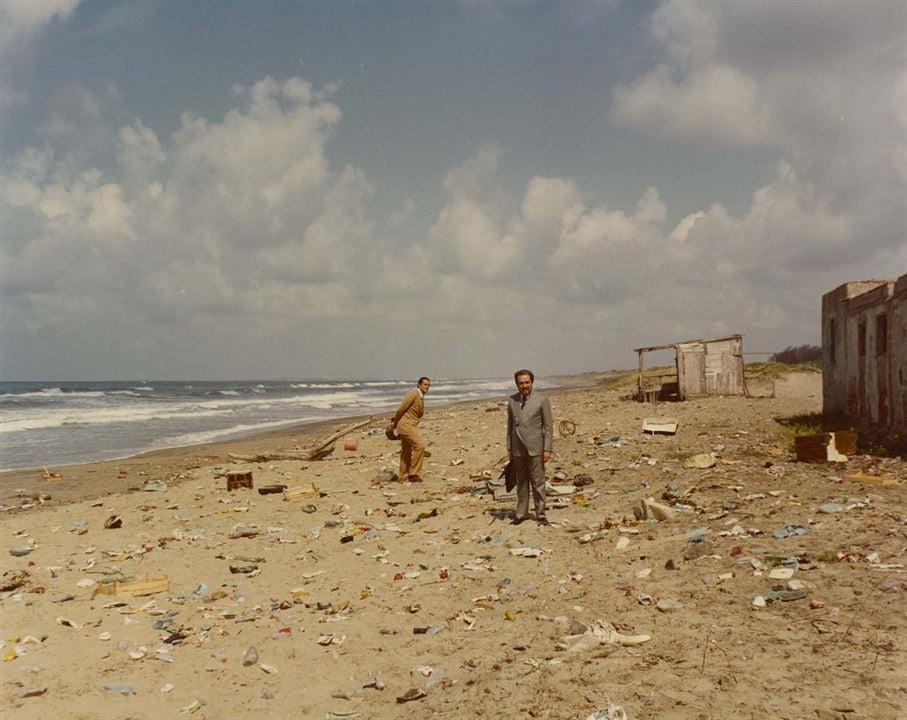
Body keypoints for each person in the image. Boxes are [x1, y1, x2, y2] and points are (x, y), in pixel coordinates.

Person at [506, 369, 553, 525]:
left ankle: (540, 513)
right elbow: (510, 426)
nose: (524, 385)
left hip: (536, 448)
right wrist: (509, 449)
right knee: (521, 482)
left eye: (527, 382)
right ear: (517, 384)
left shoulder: (542, 399)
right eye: (521, 383)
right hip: (518, 448)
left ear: (532, 382)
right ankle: (521, 513)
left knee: (538, 482)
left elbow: (548, 427)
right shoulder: (512, 401)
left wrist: (547, 449)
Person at [391, 376, 430, 482]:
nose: (427, 387)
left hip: (410, 426)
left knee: (406, 452)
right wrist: (394, 425)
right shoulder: (413, 394)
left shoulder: (421, 397)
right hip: (405, 426)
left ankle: (403, 477)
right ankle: (414, 473)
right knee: (420, 446)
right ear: (419, 385)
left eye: (428, 385)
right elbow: (401, 409)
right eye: (425, 384)